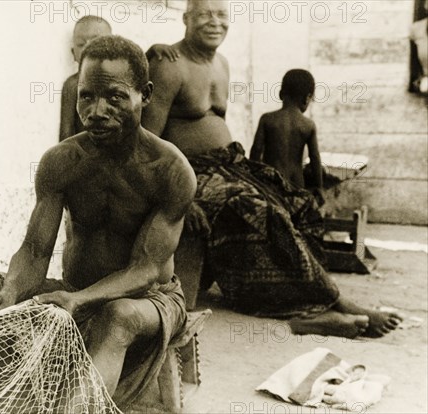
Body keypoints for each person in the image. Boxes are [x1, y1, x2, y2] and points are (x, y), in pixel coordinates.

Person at [0, 35, 197, 410]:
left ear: (145, 95)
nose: (97, 110)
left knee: (118, 315)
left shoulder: (170, 169)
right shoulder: (62, 161)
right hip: (73, 289)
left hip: (148, 300)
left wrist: (80, 300)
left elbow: (146, 270)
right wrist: (10, 292)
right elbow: (35, 251)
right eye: (87, 96)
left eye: (114, 97)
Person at [141, 0, 402, 338]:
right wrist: (180, 197)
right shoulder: (168, 65)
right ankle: (329, 306)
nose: (214, 22)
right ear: (186, 19)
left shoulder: (222, 63)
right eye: (204, 14)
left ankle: (312, 304)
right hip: (190, 172)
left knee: (299, 203)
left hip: (228, 165)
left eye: (222, 15)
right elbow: (146, 142)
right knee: (258, 211)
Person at [59, 16, 180, 141]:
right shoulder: (72, 85)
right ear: (73, 53)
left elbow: (135, 70)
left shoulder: (123, 80)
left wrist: (150, 53)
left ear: (113, 44)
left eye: (97, 40)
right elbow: (65, 133)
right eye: (81, 44)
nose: (89, 48)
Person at [250, 69, 323, 197]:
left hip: (271, 184)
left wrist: (252, 180)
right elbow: (315, 158)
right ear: (307, 98)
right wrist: (318, 187)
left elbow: (256, 150)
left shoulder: (267, 119)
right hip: (296, 185)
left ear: (280, 94)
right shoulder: (308, 125)